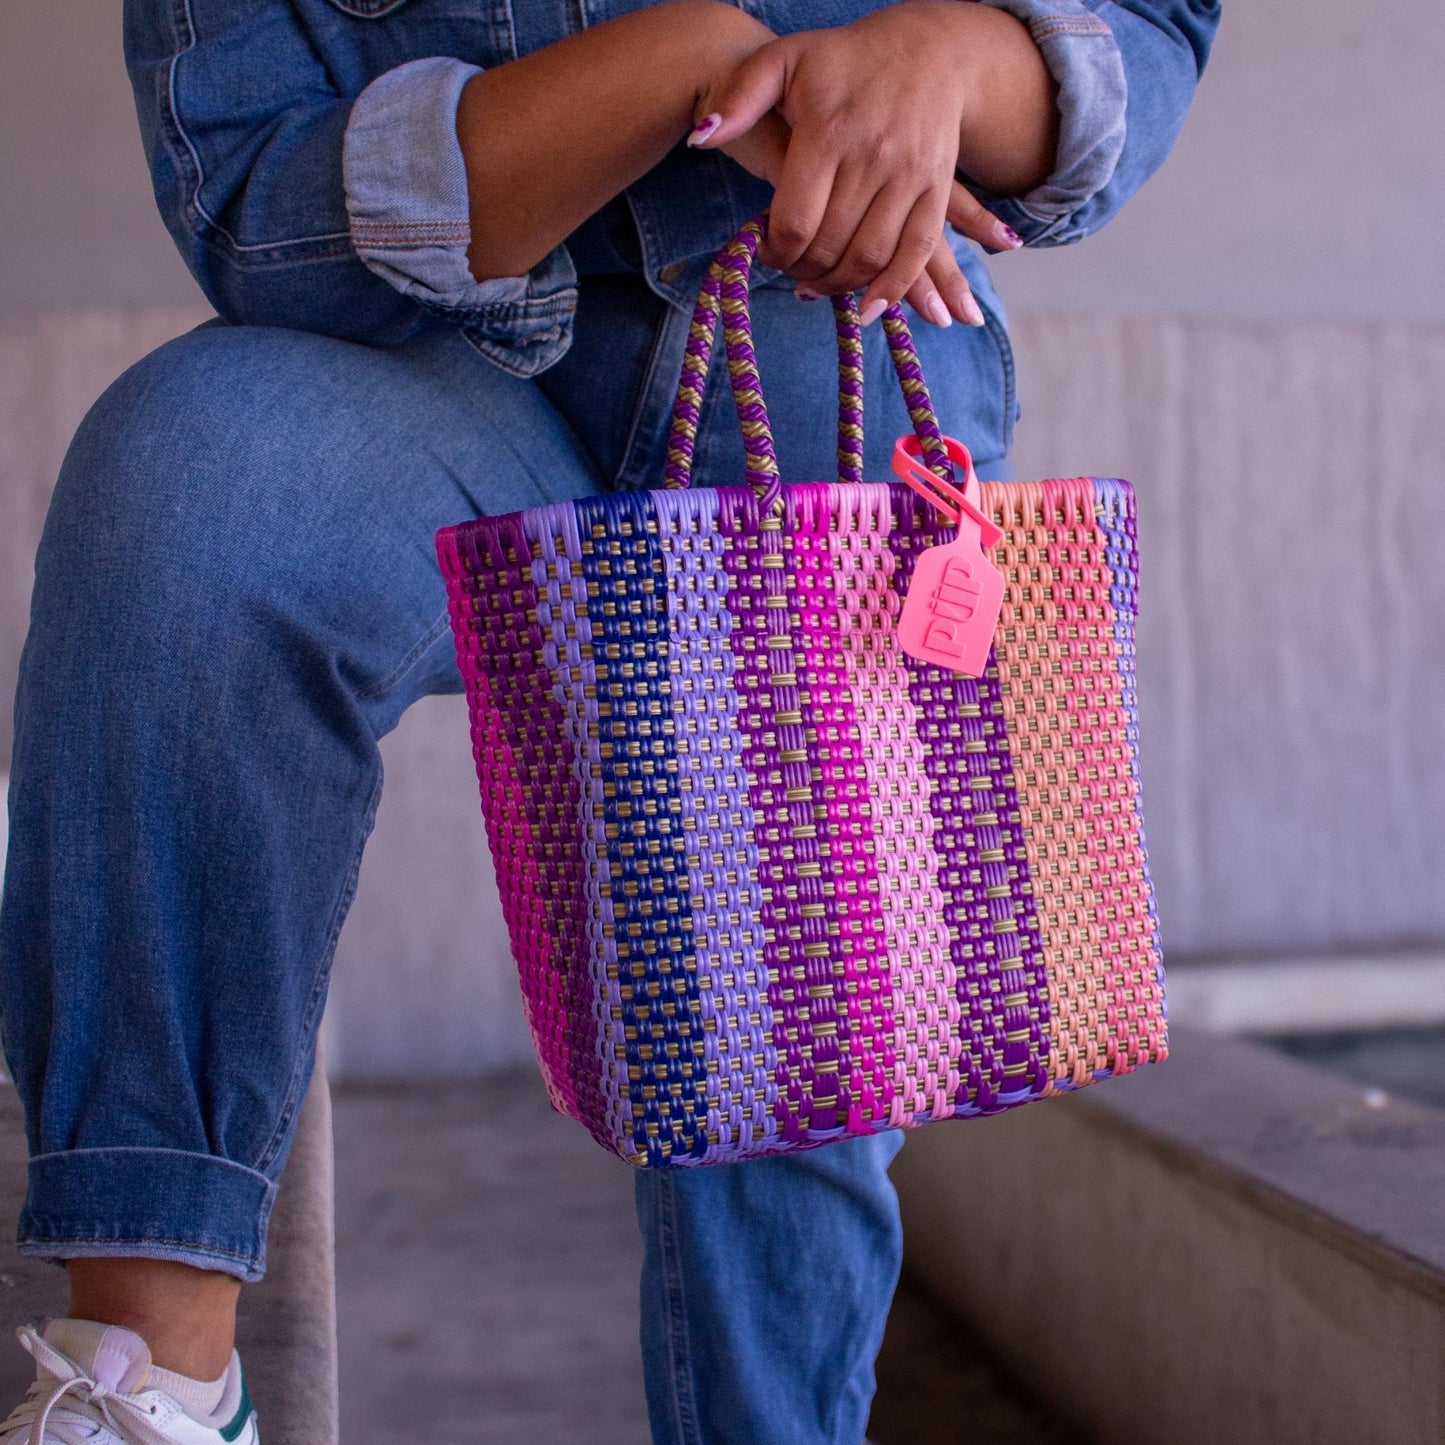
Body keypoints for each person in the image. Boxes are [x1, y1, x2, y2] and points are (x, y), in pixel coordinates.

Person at [0, 0, 1219, 1439]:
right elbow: (253, 198)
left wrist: (958, 58)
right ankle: (152, 1380)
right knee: (189, 493)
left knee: (795, 995)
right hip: (432, 363)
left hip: (823, 350)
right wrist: (676, 64)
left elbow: (1149, 22)